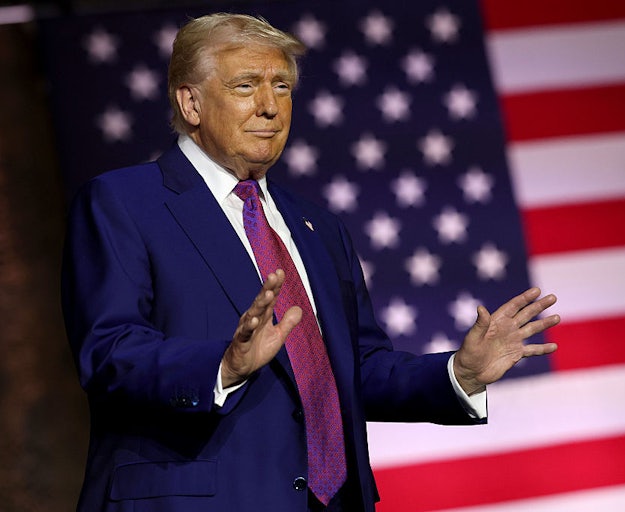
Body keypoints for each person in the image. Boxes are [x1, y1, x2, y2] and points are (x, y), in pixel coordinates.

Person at [61, 13, 560, 512]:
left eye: (281, 86)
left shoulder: (316, 226)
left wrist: (459, 374)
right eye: (245, 86)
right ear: (191, 102)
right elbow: (109, 352)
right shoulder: (123, 202)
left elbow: (356, 368)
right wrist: (223, 365)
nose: (269, 107)